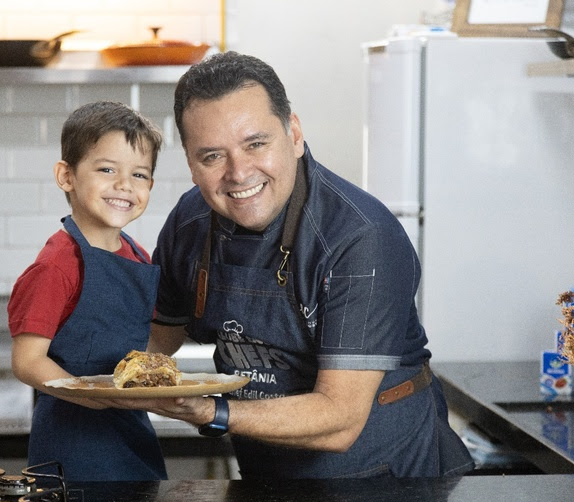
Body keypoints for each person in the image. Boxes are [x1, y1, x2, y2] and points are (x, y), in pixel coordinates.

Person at [100, 51, 475, 478]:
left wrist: (206, 410)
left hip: (386, 480)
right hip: (269, 475)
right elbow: (154, 344)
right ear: (190, 164)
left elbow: (340, 420)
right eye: (212, 156)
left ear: (294, 134)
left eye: (256, 144)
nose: (239, 173)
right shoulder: (191, 223)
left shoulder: (360, 237)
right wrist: (79, 355)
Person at [7, 101, 166, 481]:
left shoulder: (137, 256)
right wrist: (88, 394)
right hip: (72, 440)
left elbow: (148, 342)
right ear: (66, 176)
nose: (124, 185)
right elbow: (27, 362)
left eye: (139, 175)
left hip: (131, 429)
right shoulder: (56, 266)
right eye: (107, 169)